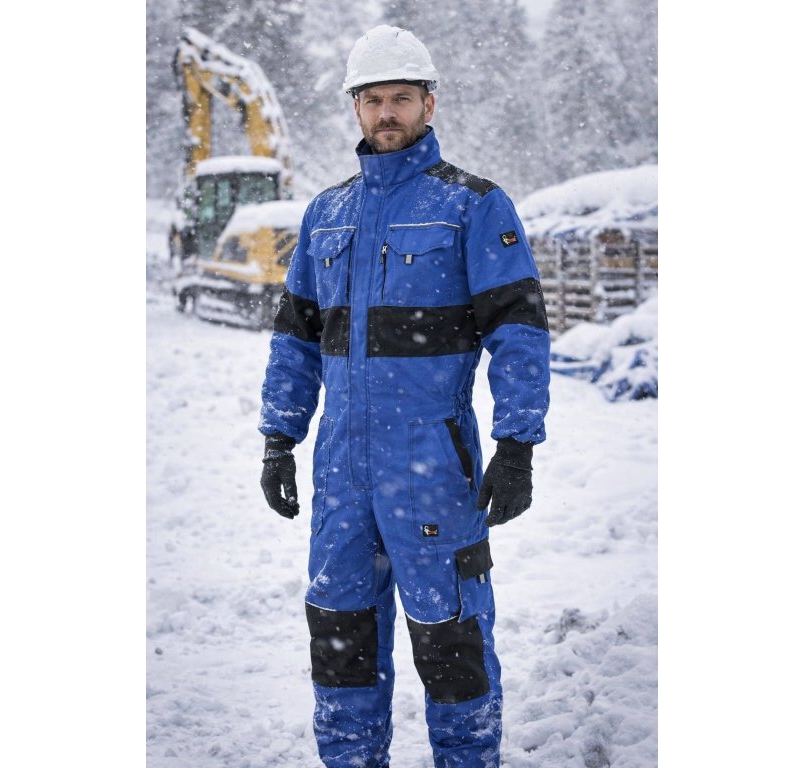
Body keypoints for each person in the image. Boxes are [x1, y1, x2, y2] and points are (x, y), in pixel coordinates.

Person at [258, 24, 550, 768]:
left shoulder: (472, 206)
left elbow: (518, 332)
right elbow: (295, 339)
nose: (386, 113)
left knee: (454, 642)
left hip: (434, 471)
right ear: (355, 108)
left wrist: (517, 445)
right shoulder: (326, 214)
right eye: (373, 100)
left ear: (428, 104)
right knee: (341, 638)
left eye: (401, 98)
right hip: (341, 473)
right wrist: (278, 439)